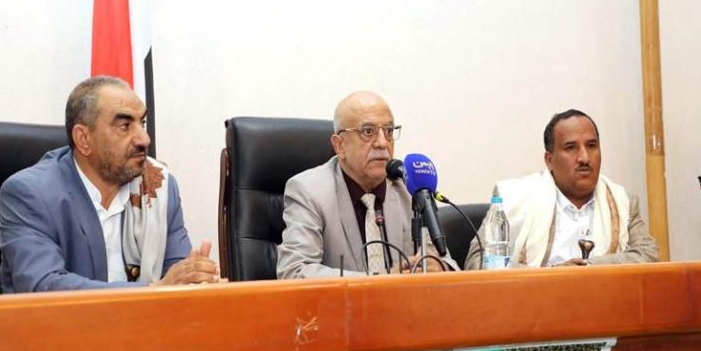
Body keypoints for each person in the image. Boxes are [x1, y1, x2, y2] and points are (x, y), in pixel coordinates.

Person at [0, 76, 221, 292]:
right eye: (125, 126)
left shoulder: (158, 186)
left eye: (142, 123)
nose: (144, 139)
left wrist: (194, 278)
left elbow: (177, 277)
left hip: (145, 317)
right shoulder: (31, 194)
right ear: (84, 139)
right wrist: (154, 290)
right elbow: (43, 286)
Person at [277, 91, 456, 279]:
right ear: (339, 145)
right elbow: (294, 272)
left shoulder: (410, 187)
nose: (382, 143)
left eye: (388, 131)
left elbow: (446, 260)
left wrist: (440, 268)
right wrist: (381, 280)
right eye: (368, 131)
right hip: (344, 300)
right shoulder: (309, 191)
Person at [465, 109, 658, 269]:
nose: (584, 158)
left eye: (591, 145)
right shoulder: (513, 198)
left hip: (603, 299)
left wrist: (588, 267)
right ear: (550, 160)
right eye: (571, 148)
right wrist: (551, 276)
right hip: (534, 300)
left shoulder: (621, 202)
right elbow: (478, 260)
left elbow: (649, 255)